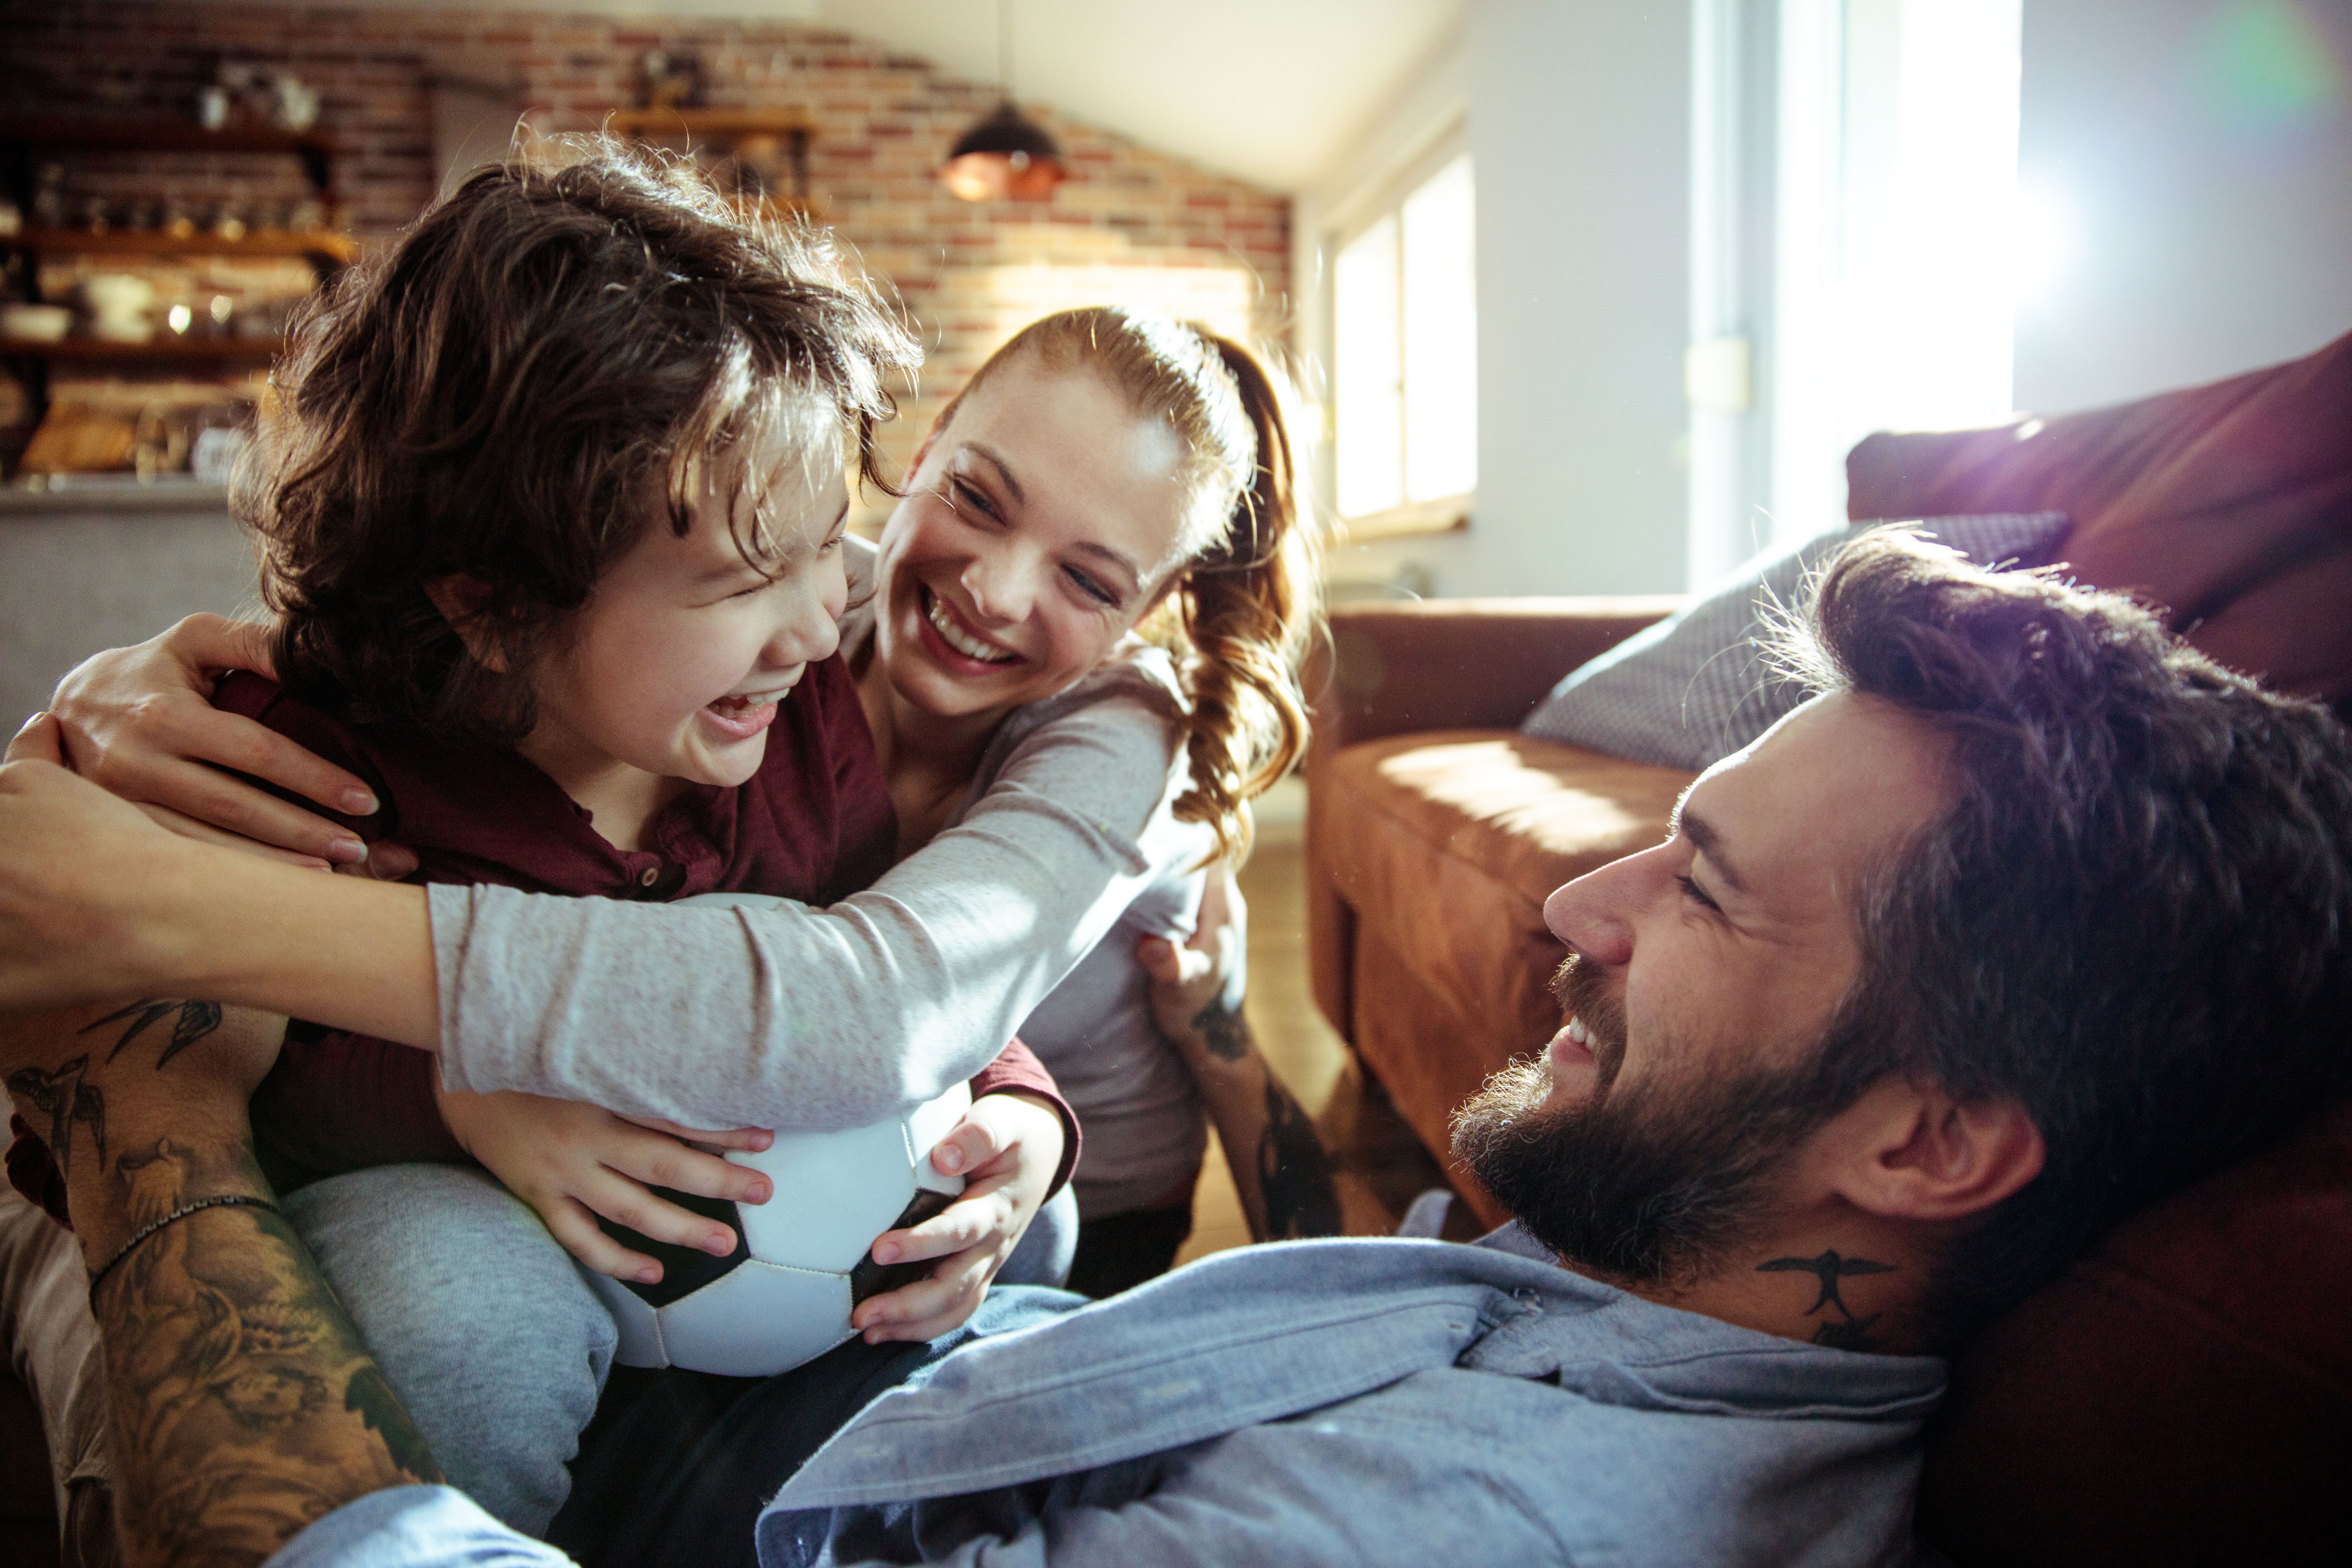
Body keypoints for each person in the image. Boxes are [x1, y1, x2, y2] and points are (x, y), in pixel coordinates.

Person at [5, 529, 2347, 1564]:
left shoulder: (1472, 1530)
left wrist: (152, 1120)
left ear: (1936, 1142)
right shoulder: (1630, 1287)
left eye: (1701, 887)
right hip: (860, 1385)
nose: (1573, 897)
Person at [3, 142, 1079, 1534]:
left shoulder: (802, 735)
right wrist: (459, 1087)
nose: (823, 626)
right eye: (752, 579)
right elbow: (201, 1100)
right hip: (440, 1222)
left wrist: (1022, 1108)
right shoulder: (299, 767)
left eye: (832, 548)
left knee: (1022, 1217)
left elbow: (899, 956)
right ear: (494, 607)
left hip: (720, 1238)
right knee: (453, 1309)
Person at [42, 306, 1339, 1297]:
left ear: (1152, 611)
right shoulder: (800, 619)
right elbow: (536, 604)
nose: (998, 590)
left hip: (1045, 1200)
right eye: (978, 498)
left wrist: (171, 909)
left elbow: (881, 1005)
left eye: (1089, 581)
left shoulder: (1124, 730)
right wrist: (148, 675)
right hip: (790, 1143)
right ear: (927, 446)